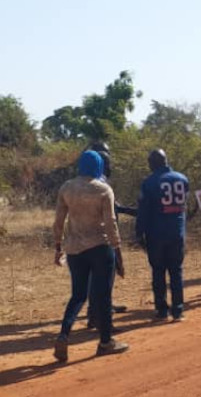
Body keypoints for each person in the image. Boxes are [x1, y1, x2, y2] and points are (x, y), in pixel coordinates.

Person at [52, 150, 129, 361]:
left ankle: (63, 334)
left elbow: (59, 221)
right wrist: (118, 251)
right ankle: (106, 342)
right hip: (100, 247)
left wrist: (58, 247)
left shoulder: (67, 187)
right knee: (103, 295)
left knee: (78, 295)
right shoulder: (104, 189)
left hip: (74, 249)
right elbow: (111, 224)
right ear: (99, 166)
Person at [136, 149, 189, 322]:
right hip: (177, 232)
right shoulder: (182, 179)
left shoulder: (149, 182)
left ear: (153, 163)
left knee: (158, 271)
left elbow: (143, 212)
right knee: (176, 271)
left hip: (156, 234)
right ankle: (178, 310)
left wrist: (139, 233)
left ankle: (162, 310)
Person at [85, 142, 132, 323]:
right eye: (108, 161)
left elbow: (116, 207)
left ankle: (102, 307)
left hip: (91, 236)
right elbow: (111, 213)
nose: (110, 165)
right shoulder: (101, 184)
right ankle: (96, 314)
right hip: (103, 236)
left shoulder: (90, 181)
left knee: (100, 276)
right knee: (103, 276)